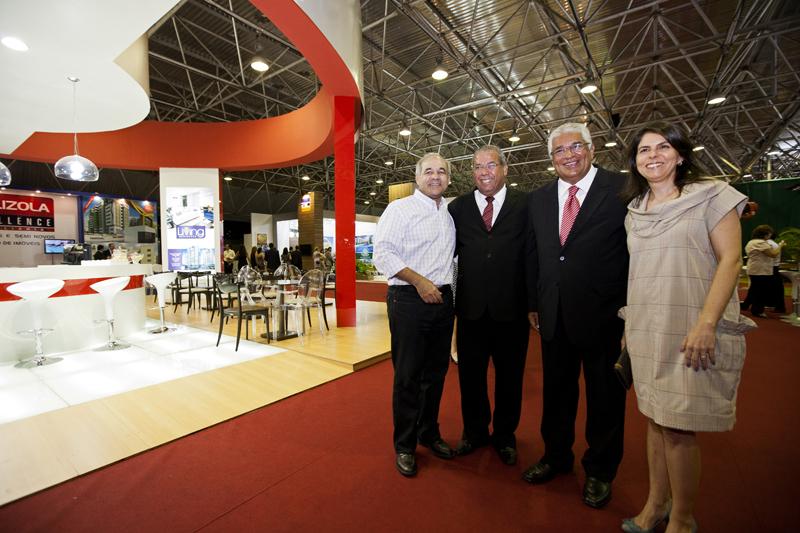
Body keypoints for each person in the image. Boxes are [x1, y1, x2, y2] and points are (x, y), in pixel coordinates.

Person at [619, 121, 754, 533]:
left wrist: (707, 323)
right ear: (635, 162)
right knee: (654, 418)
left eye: (663, 147)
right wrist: (629, 324)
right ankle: (656, 504)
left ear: (680, 155)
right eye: (644, 150)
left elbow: (731, 261)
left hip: (689, 325)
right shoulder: (635, 211)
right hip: (647, 327)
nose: (653, 156)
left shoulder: (711, 195)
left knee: (677, 425)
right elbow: (637, 273)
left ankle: (682, 517)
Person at [524, 122, 629, 509]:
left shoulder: (622, 188)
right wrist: (533, 303)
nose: (568, 155)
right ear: (550, 158)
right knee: (556, 394)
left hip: (605, 316)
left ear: (592, 148)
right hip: (553, 314)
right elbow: (534, 253)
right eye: (559, 150)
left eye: (576, 147)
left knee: (605, 398)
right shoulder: (538, 198)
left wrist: (633, 310)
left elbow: (635, 252)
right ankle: (556, 457)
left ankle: (600, 471)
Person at [373, 152, 457, 477]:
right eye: (429, 171)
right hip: (408, 298)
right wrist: (420, 282)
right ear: (418, 177)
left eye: (442, 172)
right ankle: (405, 445)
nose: (435, 177)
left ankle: (428, 432)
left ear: (449, 178)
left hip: (443, 300)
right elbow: (383, 254)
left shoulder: (450, 213)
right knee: (408, 376)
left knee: (436, 374)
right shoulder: (400, 209)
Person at [448, 145, 529, 466]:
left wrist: (534, 303)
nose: (484, 172)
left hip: (512, 310)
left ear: (505, 169)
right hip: (471, 311)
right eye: (478, 166)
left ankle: (505, 436)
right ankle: (475, 432)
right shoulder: (458, 208)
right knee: (471, 378)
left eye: (491, 165)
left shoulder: (526, 204)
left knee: (510, 378)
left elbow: (534, 255)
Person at [741, 225, 785, 318]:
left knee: (754, 289)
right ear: (765, 234)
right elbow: (773, 254)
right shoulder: (760, 243)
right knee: (761, 292)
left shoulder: (751, 242)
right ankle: (757, 310)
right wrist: (781, 245)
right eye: (769, 234)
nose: (770, 236)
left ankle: (747, 306)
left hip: (755, 269)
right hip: (761, 270)